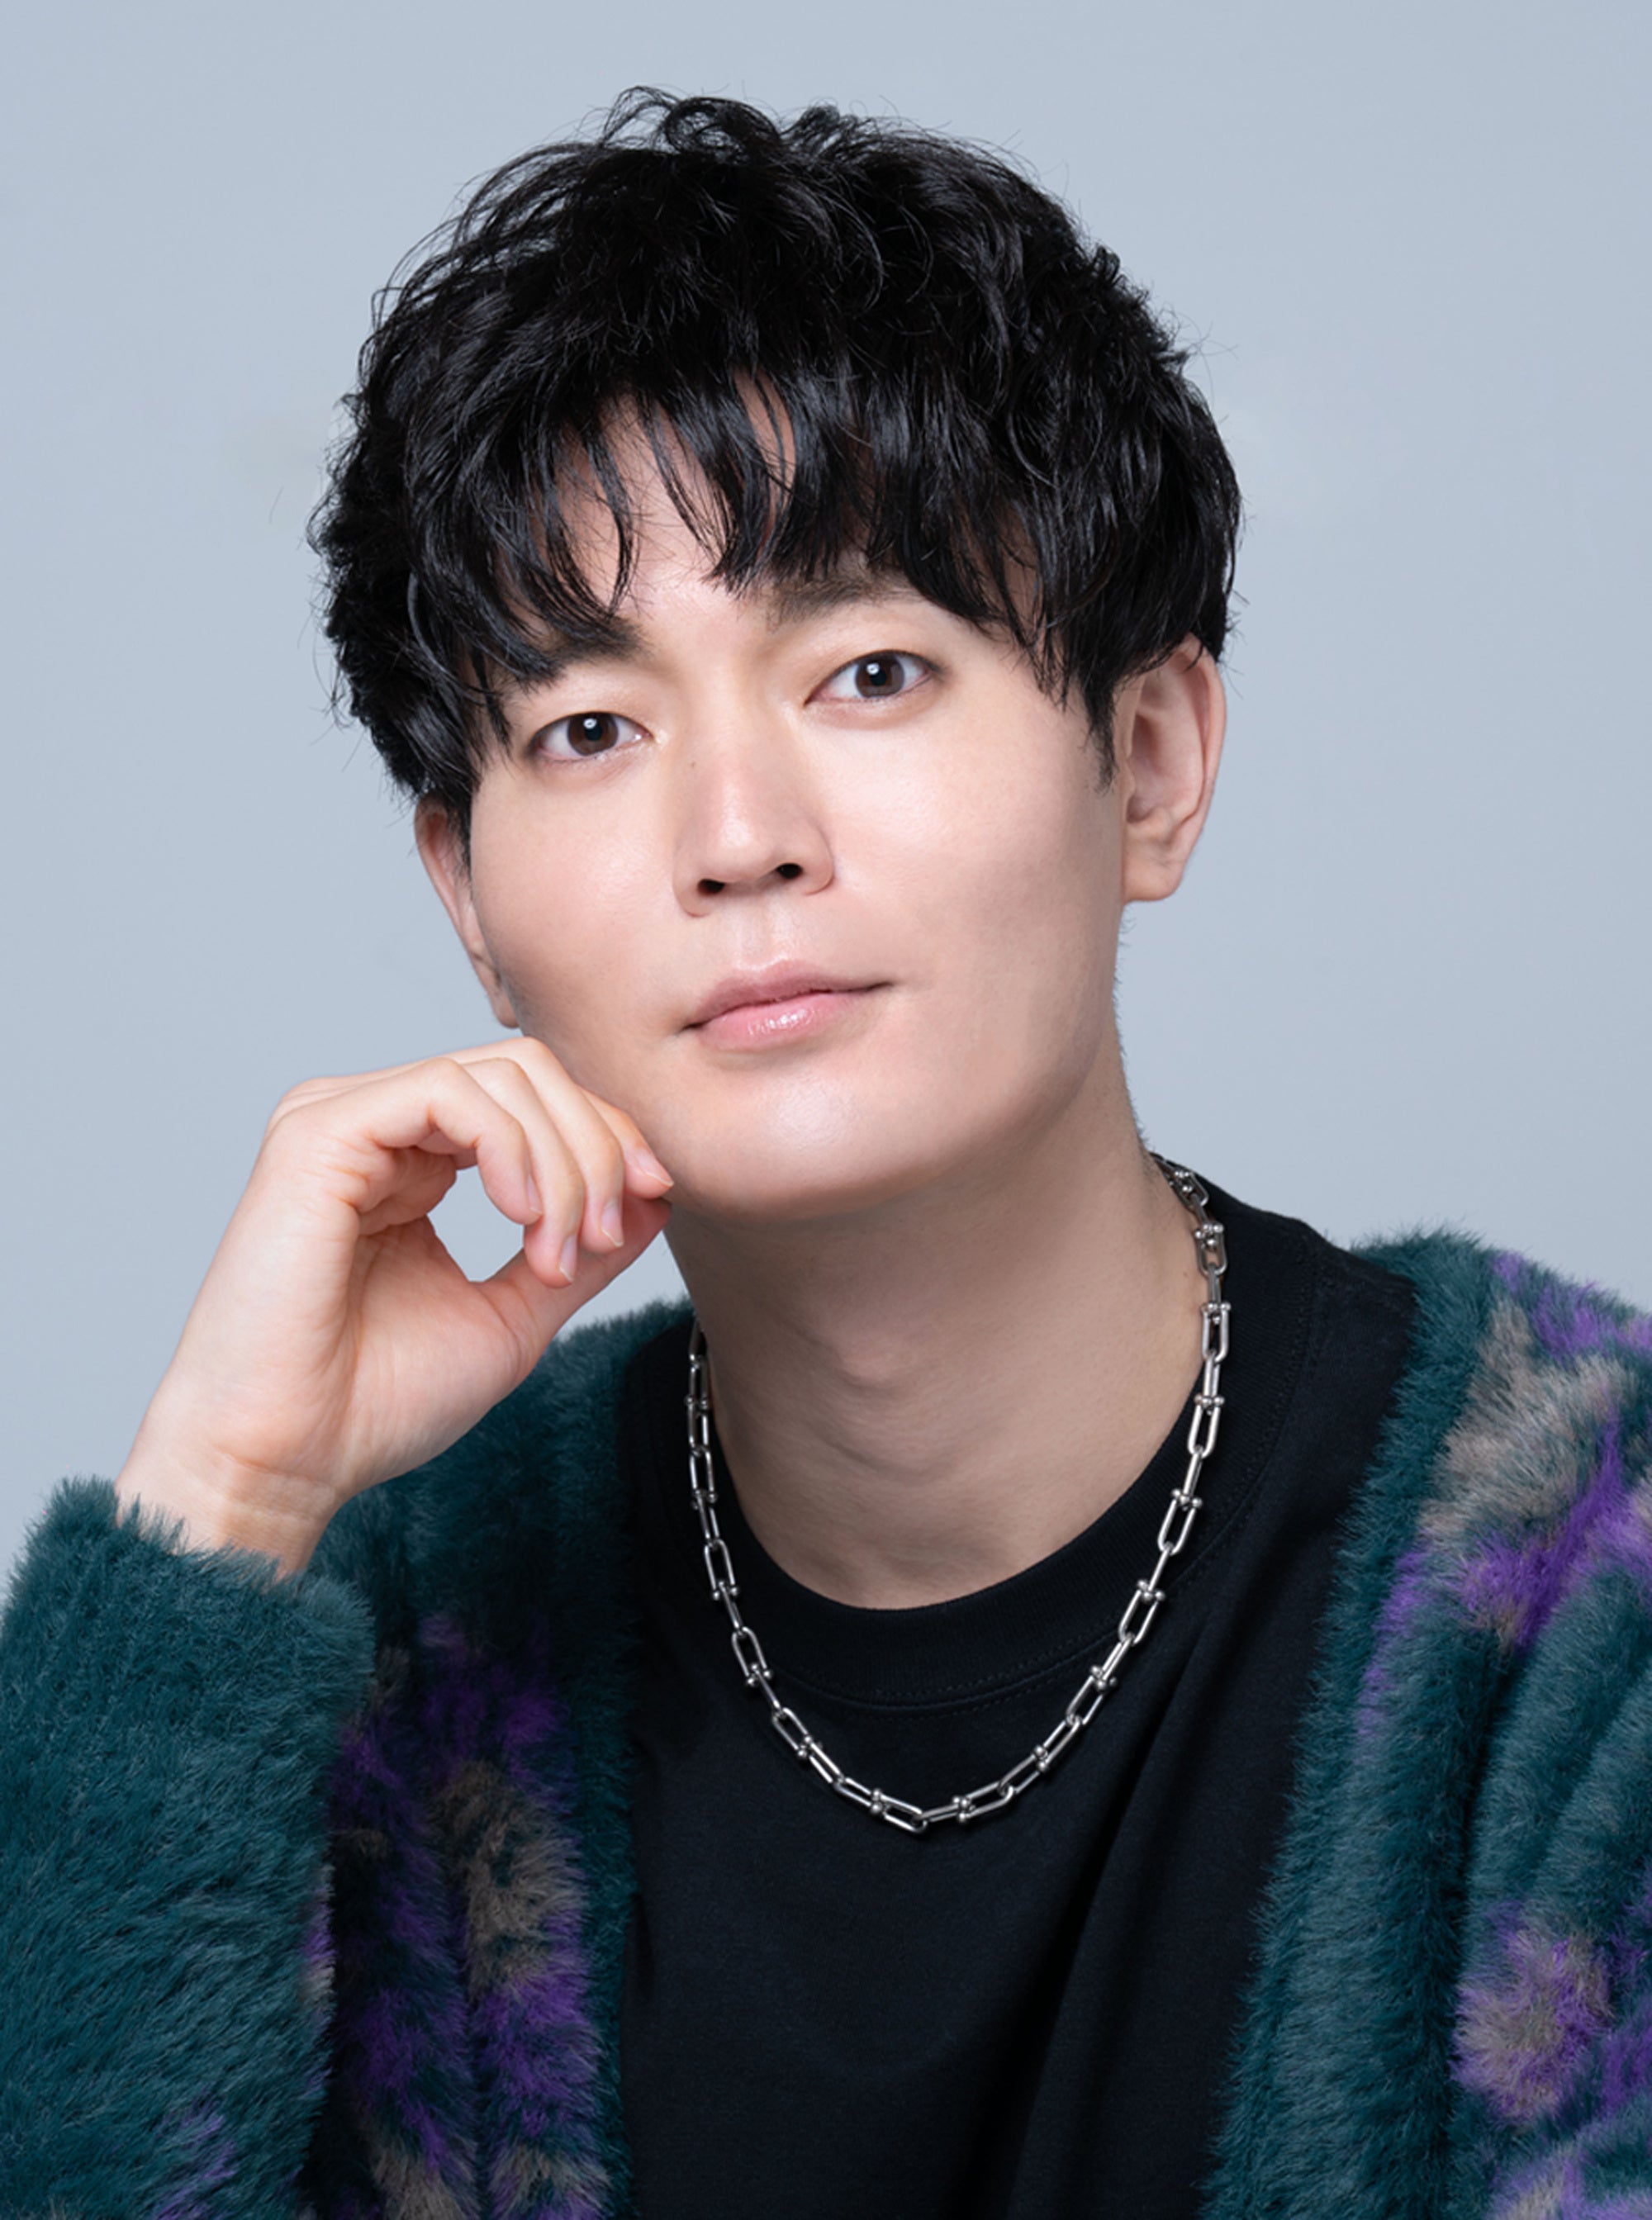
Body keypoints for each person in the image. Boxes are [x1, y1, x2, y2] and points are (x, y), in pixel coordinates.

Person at [2, 88, 1649, 2220]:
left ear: (1151, 761)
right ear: (468, 897)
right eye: (591, 729)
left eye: (872, 670)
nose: (738, 836)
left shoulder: (1580, 1593)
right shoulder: (391, 1637)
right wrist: (221, 1511)